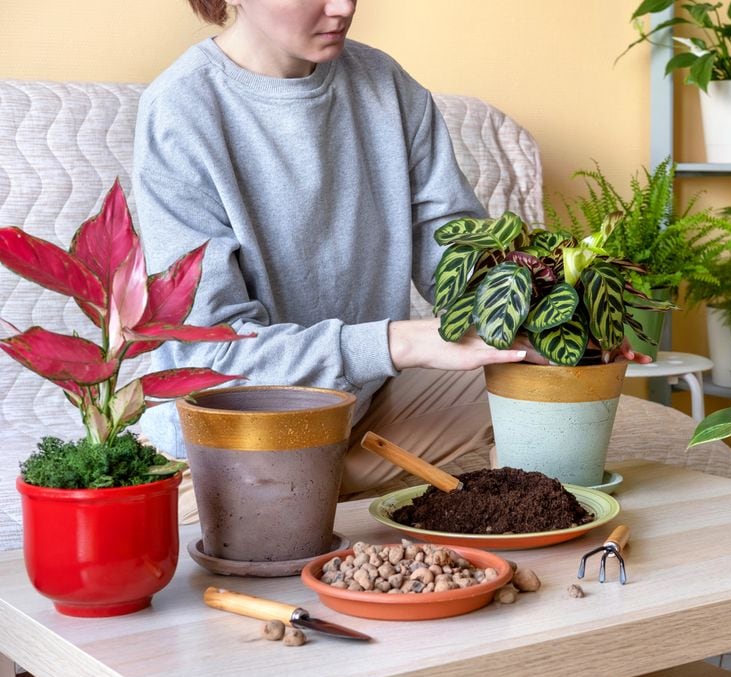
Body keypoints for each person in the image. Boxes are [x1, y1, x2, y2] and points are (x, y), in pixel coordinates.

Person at [135, 0, 644, 517]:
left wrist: (569, 326)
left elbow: (458, 254)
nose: (344, 7)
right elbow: (212, 361)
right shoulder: (182, 110)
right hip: (234, 445)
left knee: (555, 398)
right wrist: (396, 341)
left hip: (366, 412)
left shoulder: (383, 83)